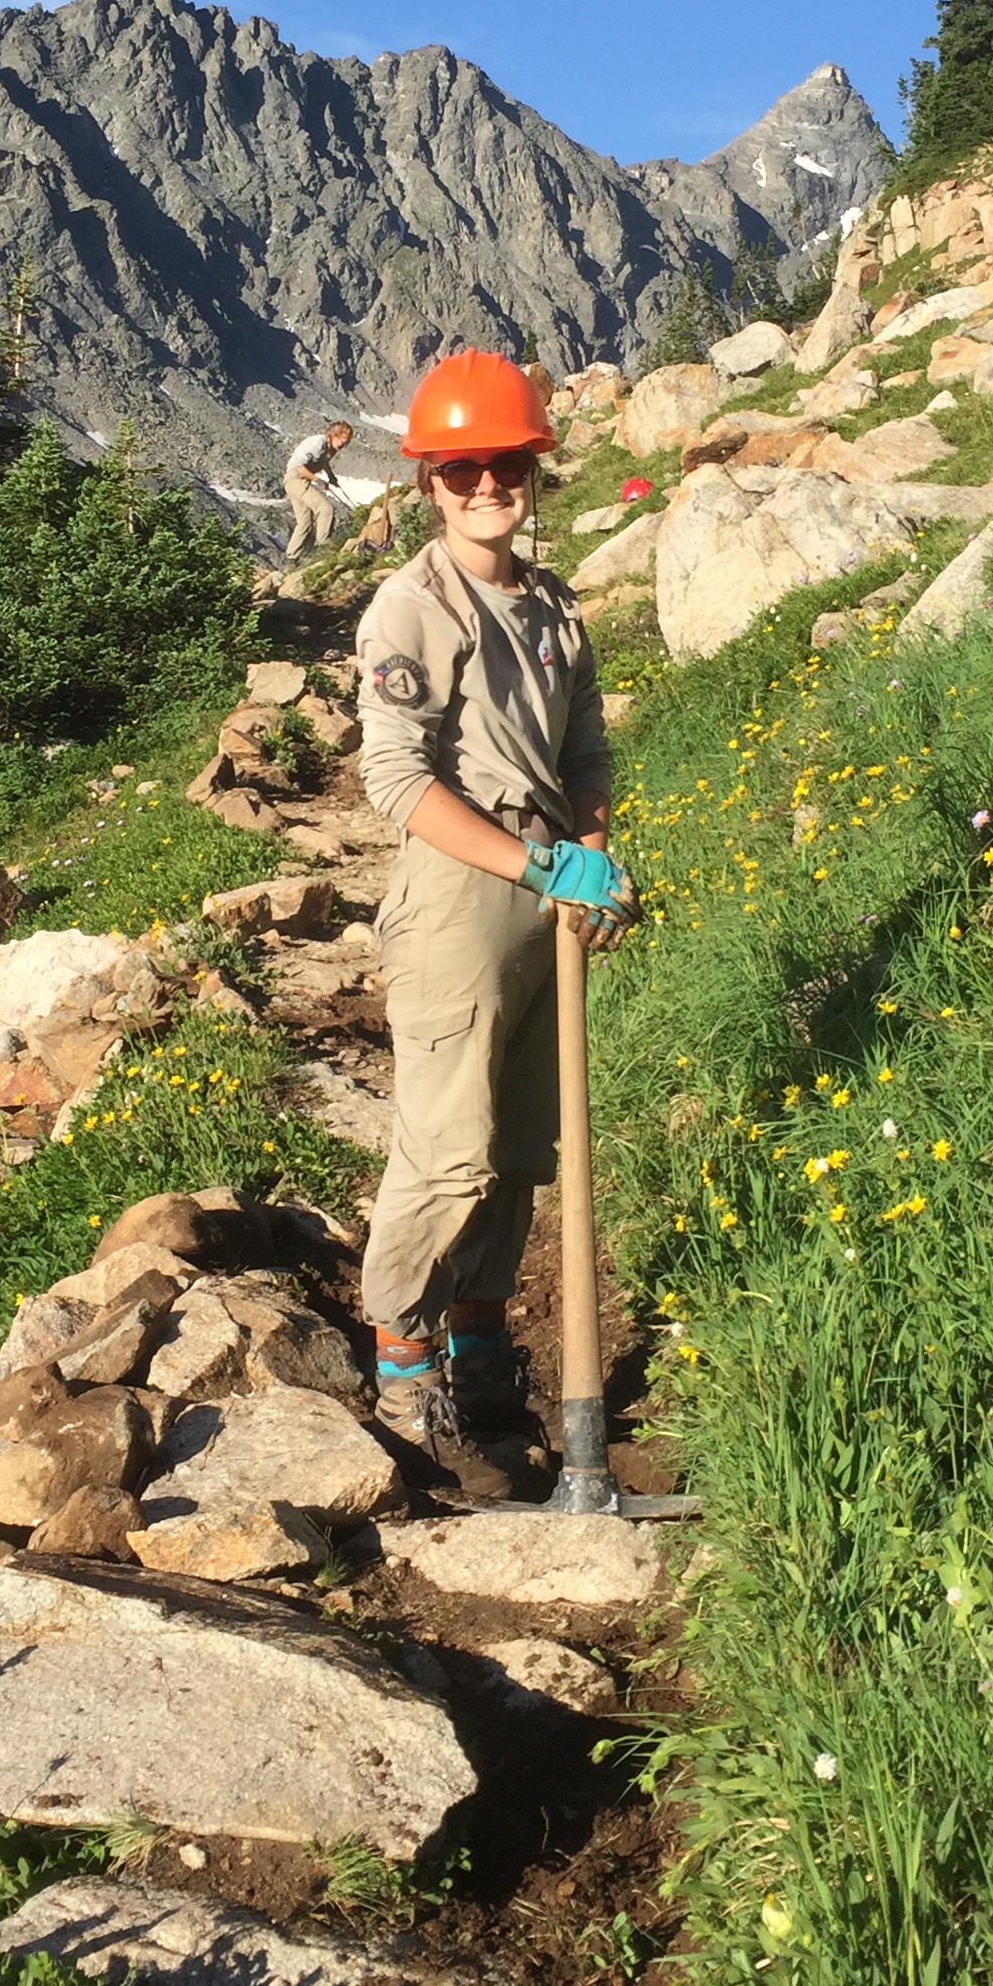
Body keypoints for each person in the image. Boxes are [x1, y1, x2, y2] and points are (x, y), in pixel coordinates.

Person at [353, 350, 636, 1455]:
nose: (487, 487)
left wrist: (593, 857)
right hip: (459, 895)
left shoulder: (557, 606)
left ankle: (478, 1351)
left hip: (545, 888)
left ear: (534, 471)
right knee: (449, 1146)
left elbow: (586, 752)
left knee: (522, 1142)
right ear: (428, 481)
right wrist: (535, 867)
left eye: (506, 464)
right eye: (462, 467)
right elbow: (397, 781)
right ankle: (401, 1365)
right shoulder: (410, 608)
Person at [281, 420, 355, 567]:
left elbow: (323, 462)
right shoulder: (316, 444)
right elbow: (300, 469)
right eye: (343, 441)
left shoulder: (329, 448)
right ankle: (323, 546)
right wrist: (319, 481)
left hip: (295, 482)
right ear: (334, 435)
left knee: (305, 522)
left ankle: (291, 558)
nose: (343, 446)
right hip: (295, 478)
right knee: (325, 509)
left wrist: (331, 477)